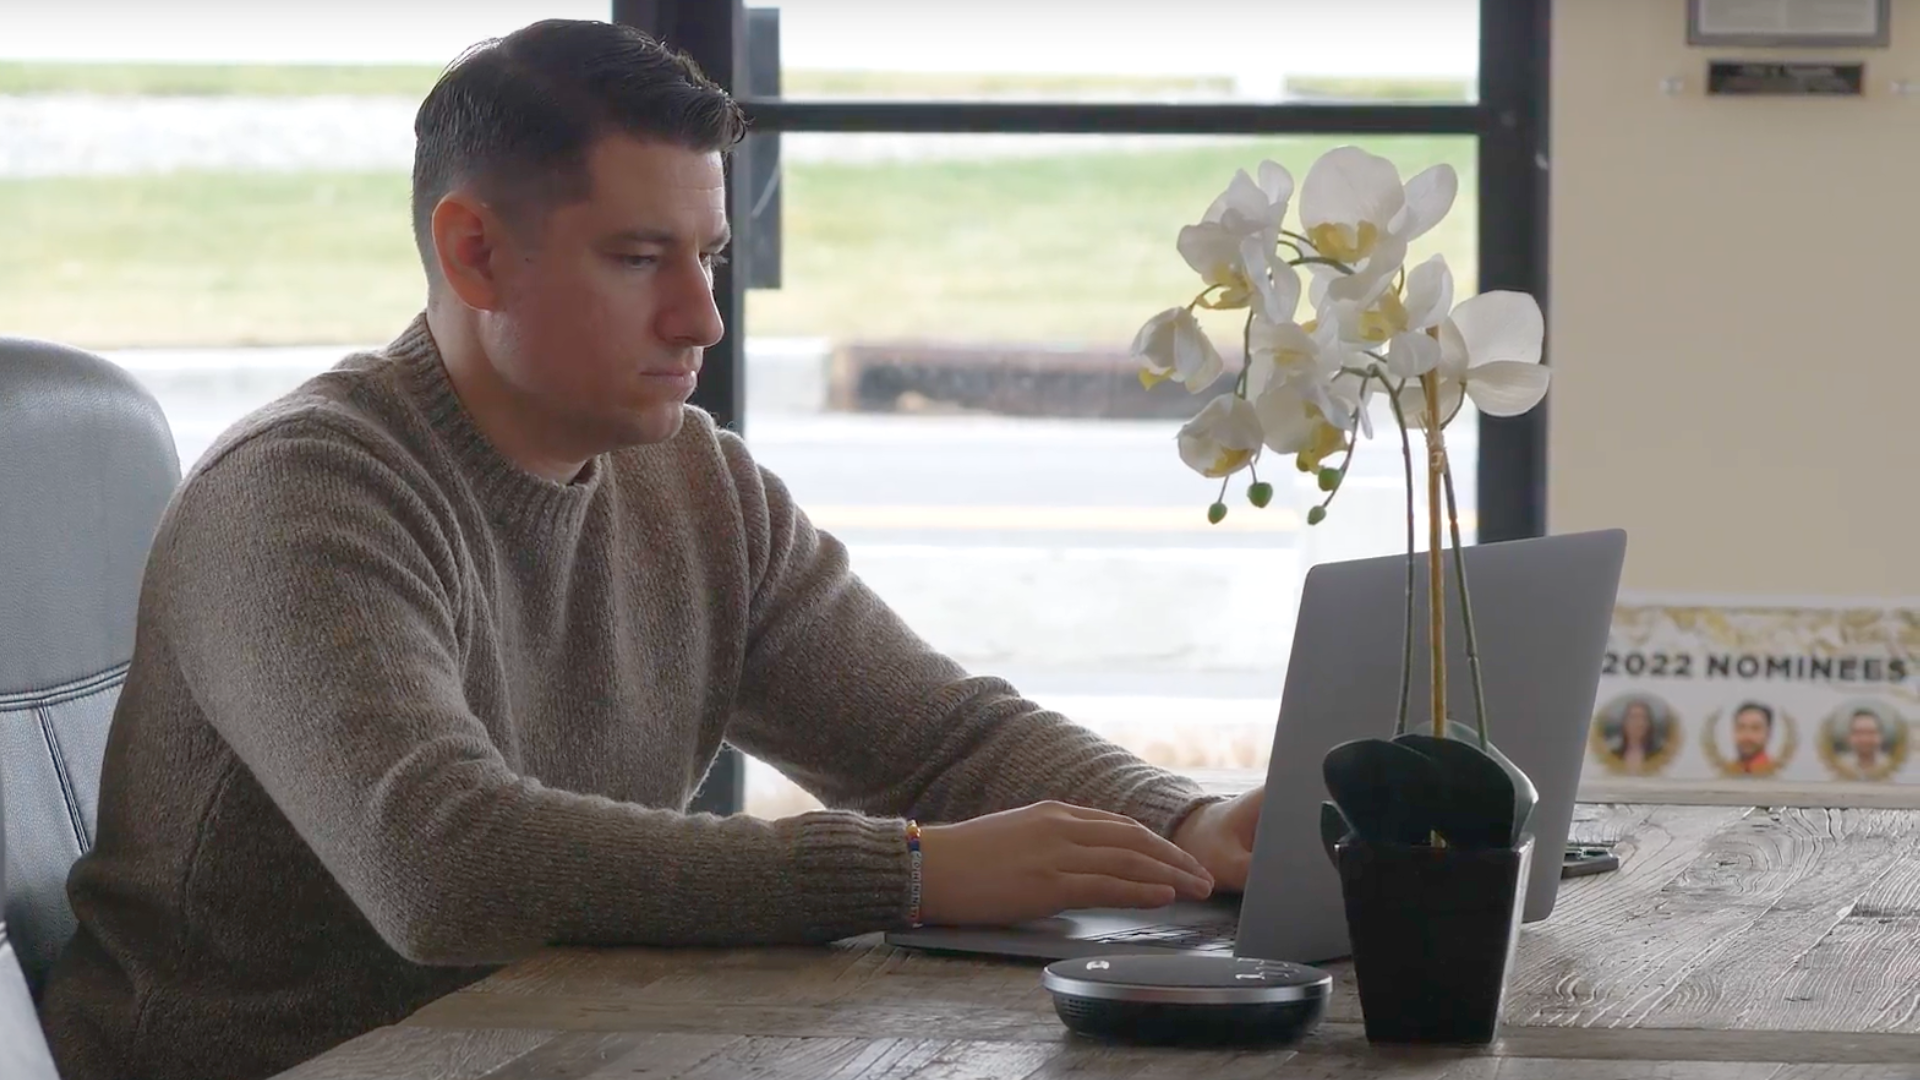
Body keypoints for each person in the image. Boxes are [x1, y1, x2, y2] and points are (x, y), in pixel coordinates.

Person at [36, 20, 1263, 1080]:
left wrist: (1190, 822)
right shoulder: (302, 493)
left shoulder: (696, 484)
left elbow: (939, 741)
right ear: (473, 253)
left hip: (545, 1049)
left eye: (709, 257)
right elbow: (445, 866)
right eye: (638, 259)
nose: (703, 318)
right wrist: (908, 873)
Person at [1612, 697, 1664, 773]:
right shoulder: (1613, 754)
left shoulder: (1660, 755)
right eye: (1633, 717)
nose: (1638, 723)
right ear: (1624, 723)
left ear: (1649, 724)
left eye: (1642, 718)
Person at [1726, 701, 1777, 775]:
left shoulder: (1777, 778)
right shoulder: (1725, 777)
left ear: (1768, 734)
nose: (1747, 736)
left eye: (1755, 728)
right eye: (1741, 728)